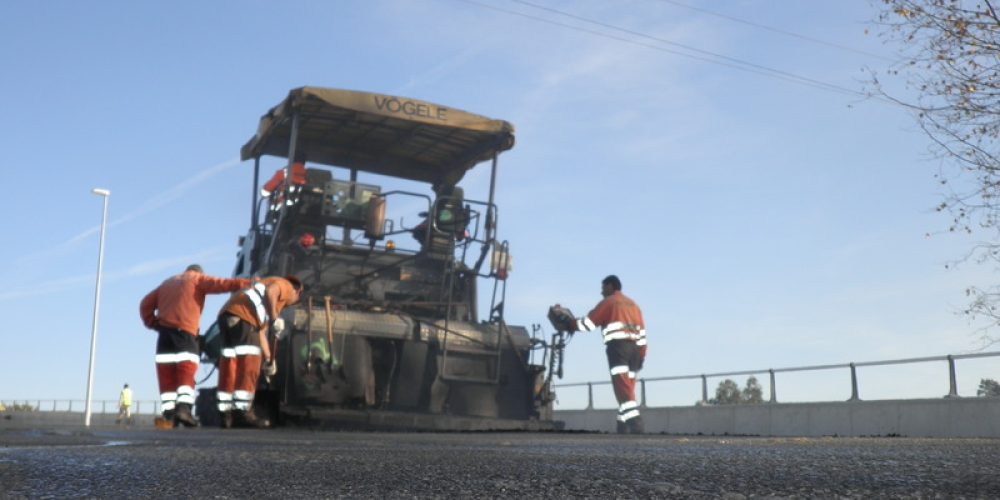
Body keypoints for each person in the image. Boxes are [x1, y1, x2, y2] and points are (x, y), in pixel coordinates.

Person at [139, 265, 250, 427]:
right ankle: (183, 410)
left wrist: (154, 324)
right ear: (199, 272)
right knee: (186, 372)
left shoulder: (167, 283)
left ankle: (169, 415)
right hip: (185, 333)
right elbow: (221, 284)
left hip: (164, 337)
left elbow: (145, 305)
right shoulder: (197, 279)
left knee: (166, 375)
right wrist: (247, 283)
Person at [561, 275, 647, 434]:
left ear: (610, 286)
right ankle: (622, 425)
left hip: (618, 348)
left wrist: (569, 324)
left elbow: (589, 323)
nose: (601, 292)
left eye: (603, 288)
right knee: (628, 388)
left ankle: (636, 423)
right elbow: (642, 333)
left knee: (622, 387)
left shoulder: (609, 302)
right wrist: (642, 355)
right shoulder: (634, 305)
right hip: (635, 350)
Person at [216, 275, 303, 428]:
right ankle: (242, 413)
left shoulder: (262, 300)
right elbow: (271, 291)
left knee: (230, 364)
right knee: (250, 363)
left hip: (227, 315)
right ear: (298, 292)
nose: (289, 305)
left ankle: (226, 415)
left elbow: (261, 333)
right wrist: (275, 318)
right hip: (244, 316)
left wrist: (269, 360)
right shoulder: (287, 286)